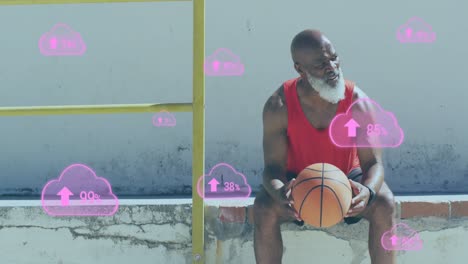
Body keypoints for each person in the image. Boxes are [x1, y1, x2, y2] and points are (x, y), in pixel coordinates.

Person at [253, 29, 396, 264]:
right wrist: (280, 193)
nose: (332, 67)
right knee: (263, 207)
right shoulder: (278, 106)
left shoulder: (357, 102)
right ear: (300, 69)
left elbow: (374, 164)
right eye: (321, 64)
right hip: (298, 181)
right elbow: (272, 169)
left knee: (384, 202)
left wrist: (368, 192)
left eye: (334, 57)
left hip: (347, 178)